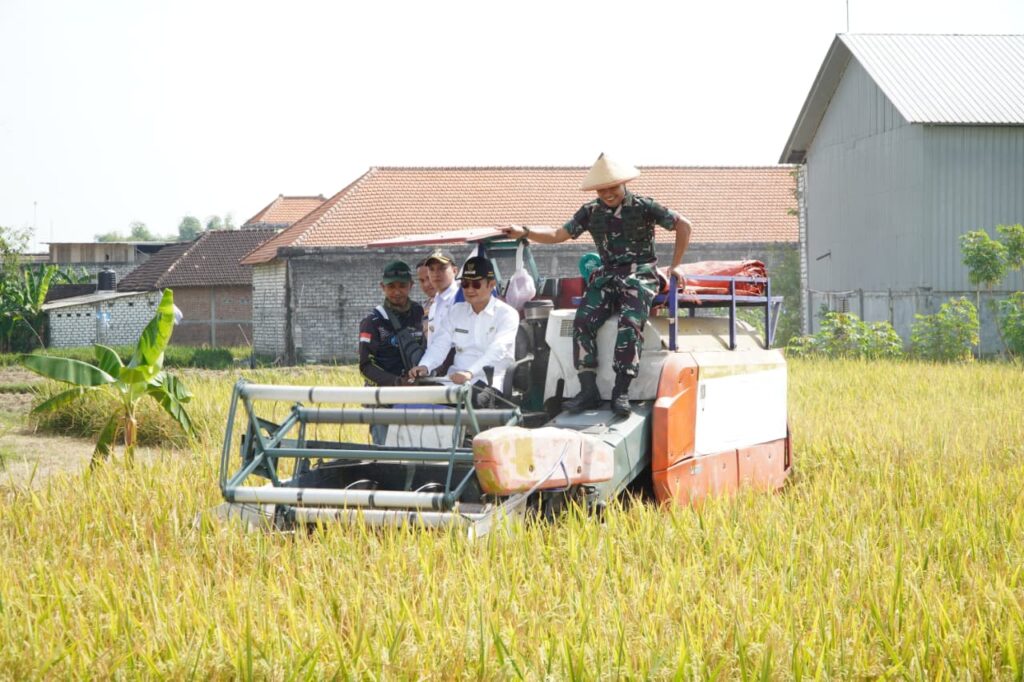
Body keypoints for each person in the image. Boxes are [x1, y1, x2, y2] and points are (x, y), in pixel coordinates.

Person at [502, 153, 692, 416]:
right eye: (602, 189)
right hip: (608, 275)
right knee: (582, 320)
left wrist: (676, 265)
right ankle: (588, 389)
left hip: (639, 274)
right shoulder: (590, 212)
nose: (608, 194)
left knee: (630, 321)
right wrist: (525, 231)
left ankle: (621, 390)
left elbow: (684, 225)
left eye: (612, 187)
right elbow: (558, 234)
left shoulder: (644, 206)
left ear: (623, 183)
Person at [410, 256, 518, 396]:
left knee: (469, 401)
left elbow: (498, 350)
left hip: (492, 381)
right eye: (465, 284)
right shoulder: (456, 311)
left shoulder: (507, 314)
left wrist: (470, 373)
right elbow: (440, 343)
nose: (469, 289)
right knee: (417, 400)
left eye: (476, 284)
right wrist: (425, 365)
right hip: (454, 381)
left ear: (491, 285)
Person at [358, 260, 425, 444]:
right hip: (383, 401)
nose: (397, 292)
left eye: (402, 286)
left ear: (411, 285)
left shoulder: (421, 313)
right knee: (386, 454)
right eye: (391, 286)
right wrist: (396, 382)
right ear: (383, 287)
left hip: (415, 398)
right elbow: (365, 366)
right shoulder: (373, 322)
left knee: (419, 452)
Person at [423, 249, 459, 340]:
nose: (436, 274)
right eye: (431, 269)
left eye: (442, 268)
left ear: (455, 271)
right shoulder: (434, 302)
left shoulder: (461, 299)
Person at [415, 258, 436, 336]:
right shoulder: (423, 309)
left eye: (429, 278)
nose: (426, 284)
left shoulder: (457, 302)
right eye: (422, 280)